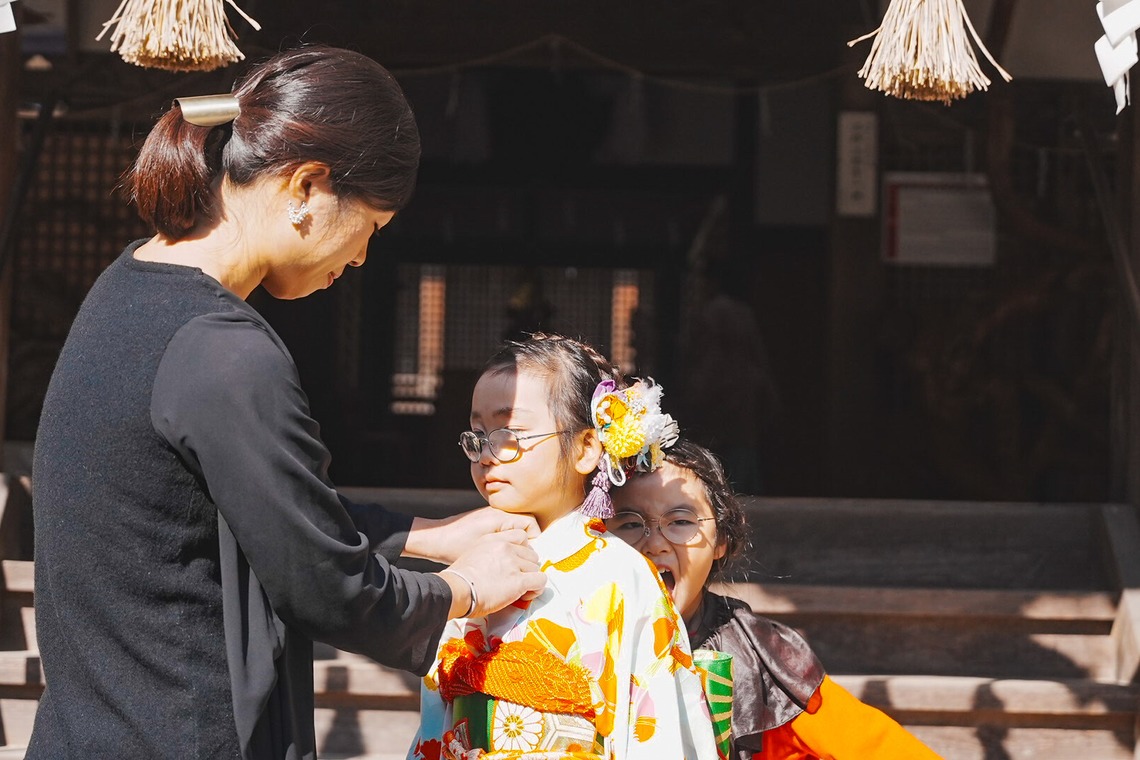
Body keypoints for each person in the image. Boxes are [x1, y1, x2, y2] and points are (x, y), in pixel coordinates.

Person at [29, 45, 546, 760]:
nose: (361, 258)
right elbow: (330, 590)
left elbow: (252, 518)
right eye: (371, 228)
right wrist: (466, 588)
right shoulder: (226, 351)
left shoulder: (126, 289)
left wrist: (431, 533)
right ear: (307, 185)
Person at [409, 333, 719, 759]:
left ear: (586, 447)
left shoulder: (621, 575)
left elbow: (655, 731)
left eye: (509, 433)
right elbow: (436, 718)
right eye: (478, 434)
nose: (485, 454)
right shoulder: (471, 566)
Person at [608, 439, 942, 759]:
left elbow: (879, 747)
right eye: (628, 523)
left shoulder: (765, 660)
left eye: (680, 521)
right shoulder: (572, 635)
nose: (655, 544)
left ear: (720, 539)